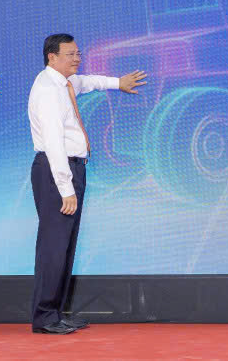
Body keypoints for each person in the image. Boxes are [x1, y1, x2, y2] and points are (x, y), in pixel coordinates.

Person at [28, 33, 146, 335]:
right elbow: (53, 142)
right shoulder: (47, 90)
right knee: (54, 246)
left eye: (78, 53)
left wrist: (117, 82)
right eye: (70, 54)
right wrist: (65, 188)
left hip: (72, 168)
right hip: (57, 171)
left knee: (65, 246)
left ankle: (55, 311)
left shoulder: (65, 83)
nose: (77, 58)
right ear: (51, 57)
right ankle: (44, 316)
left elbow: (88, 82)